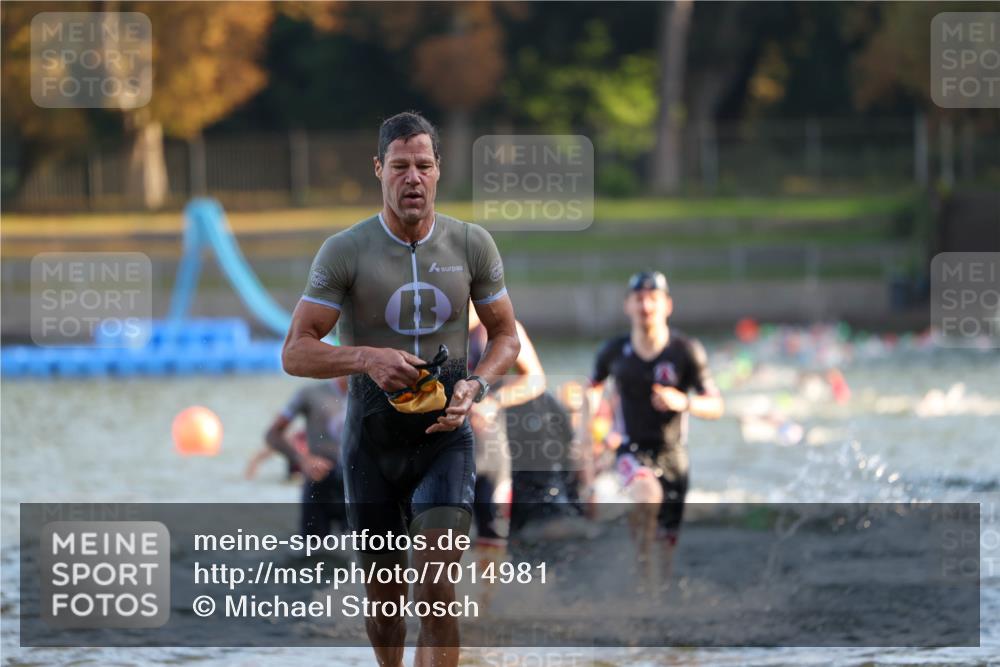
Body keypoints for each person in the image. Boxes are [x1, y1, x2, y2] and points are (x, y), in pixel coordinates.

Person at [281, 111, 520, 667]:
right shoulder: (345, 250)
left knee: (437, 590)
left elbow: (507, 334)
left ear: (439, 171)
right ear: (378, 170)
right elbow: (295, 351)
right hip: (372, 442)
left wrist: (478, 384)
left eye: (422, 166)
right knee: (386, 602)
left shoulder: (471, 244)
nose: (411, 178)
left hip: (445, 437)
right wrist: (366, 357)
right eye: (399, 166)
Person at [588, 271, 724, 582]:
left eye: (653, 298)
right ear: (627, 306)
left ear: (668, 305)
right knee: (647, 493)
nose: (646, 305)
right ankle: (639, 584)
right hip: (631, 449)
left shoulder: (686, 351)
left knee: (666, 551)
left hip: (674, 456)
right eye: (639, 299)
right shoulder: (613, 351)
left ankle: (655, 600)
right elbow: (591, 388)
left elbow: (716, 405)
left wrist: (683, 401)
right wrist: (586, 435)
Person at [251, 378, 350, 538]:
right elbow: (272, 434)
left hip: (358, 487)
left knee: (369, 552)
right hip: (320, 482)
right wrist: (303, 460)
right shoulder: (310, 394)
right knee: (312, 555)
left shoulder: (374, 396)